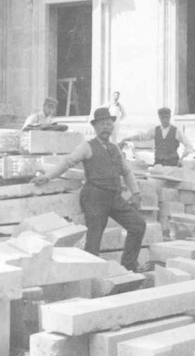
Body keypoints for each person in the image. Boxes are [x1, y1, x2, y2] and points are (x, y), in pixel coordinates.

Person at [33, 106, 147, 270]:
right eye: (101, 124)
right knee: (94, 241)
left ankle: (129, 265)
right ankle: (91, 277)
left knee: (138, 225)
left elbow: (127, 172)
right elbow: (67, 162)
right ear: (95, 127)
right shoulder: (87, 146)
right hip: (94, 197)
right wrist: (47, 176)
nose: (105, 128)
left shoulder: (115, 149)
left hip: (114, 197)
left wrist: (136, 193)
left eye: (108, 124)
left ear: (112, 127)